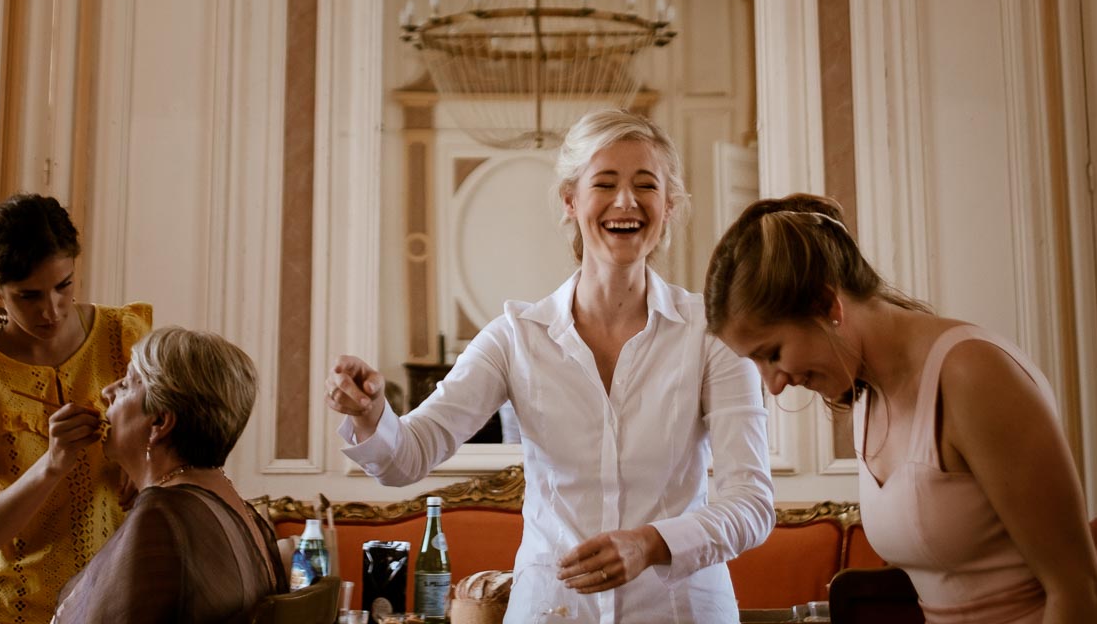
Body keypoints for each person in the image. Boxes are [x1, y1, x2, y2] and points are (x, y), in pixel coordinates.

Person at [326, 109, 774, 622]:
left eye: (645, 186)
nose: (625, 201)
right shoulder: (516, 338)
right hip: (553, 610)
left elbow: (752, 504)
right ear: (570, 201)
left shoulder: (711, 334)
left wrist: (652, 544)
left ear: (668, 205)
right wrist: (369, 414)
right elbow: (408, 458)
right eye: (604, 183)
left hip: (682, 611)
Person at [704, 193, 1097, 624]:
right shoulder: (866, 399)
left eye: (772, 353)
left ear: (827, 305)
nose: (775, 384)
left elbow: (1079, 592)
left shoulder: (971, 375)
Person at [0, 194, 155, 623]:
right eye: (28, 295)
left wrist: (142, 464)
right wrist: (52, 463)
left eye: (63, 285)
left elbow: (170, 446)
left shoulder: (124, 336)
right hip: (5, 605)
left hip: (109, 599)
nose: (52, 310)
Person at [51, 327, 289, 623]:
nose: (106, 392)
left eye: (126, 384)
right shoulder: (241, 510)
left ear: (160, 422)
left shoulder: (161, 516)